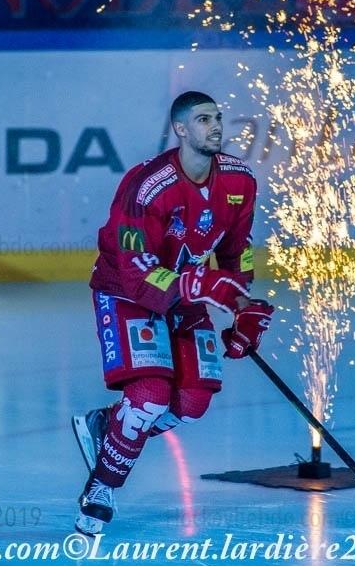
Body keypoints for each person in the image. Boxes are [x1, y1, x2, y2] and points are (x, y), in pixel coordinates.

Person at [71, 91, 275, 535]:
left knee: (193, 401)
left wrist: (241, 308)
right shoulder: (147, 186)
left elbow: (236, 252)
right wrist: (200, 286)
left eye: (217, 118)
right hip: (125, 290)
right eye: (203, 119)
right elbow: (135, 272)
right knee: (150, 396)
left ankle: (109, 426)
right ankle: (102, 487)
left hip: (186, 292)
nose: (215, 126)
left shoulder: (240, 181)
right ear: (180, 129)